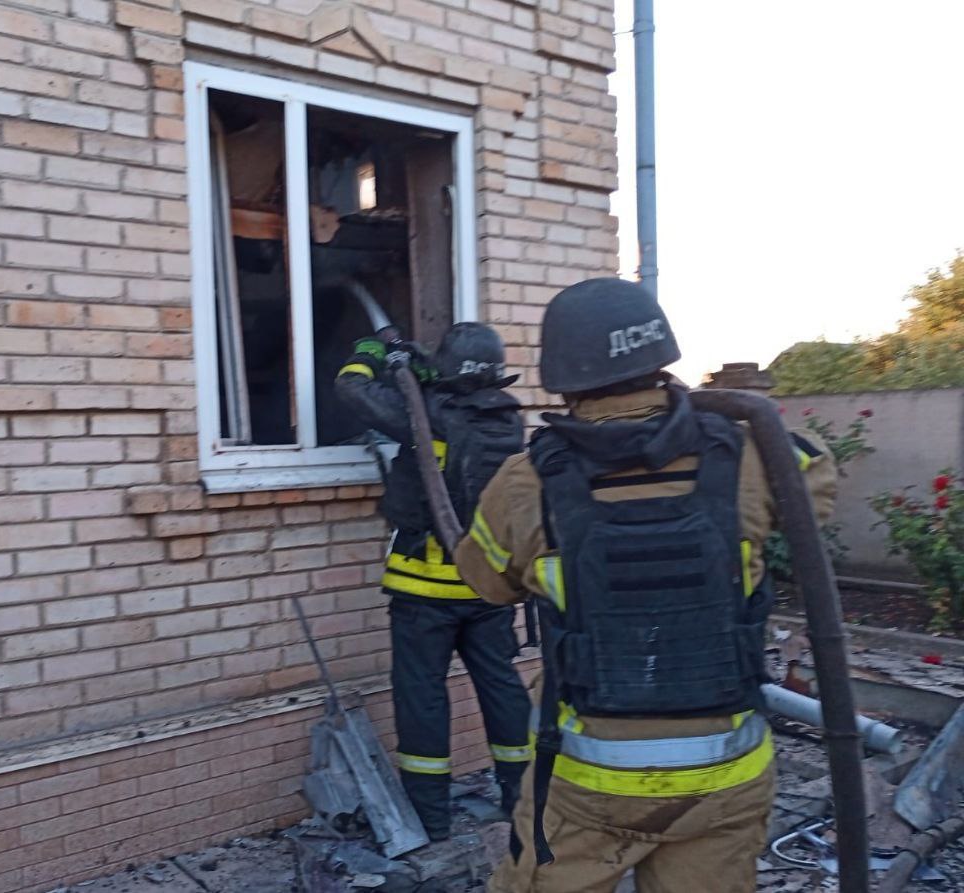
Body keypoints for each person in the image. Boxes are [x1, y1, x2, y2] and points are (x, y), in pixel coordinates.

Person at [454, 278, 837, 893]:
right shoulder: (755, 456)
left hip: (586, 789)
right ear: (662, 357)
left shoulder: (524, 483)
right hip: (725, 781)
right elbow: (815, 481)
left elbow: (487, 584)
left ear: (562, 377)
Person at [335, 322, 534, 840]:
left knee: (422, 698)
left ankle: (430, 816)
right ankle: (522, 799)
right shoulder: (507, 421)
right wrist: (422, 365)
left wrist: (369, 352)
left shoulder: (424, 413)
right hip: (488, 587)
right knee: (502, 688)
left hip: (423, 588)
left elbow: (351, 389)